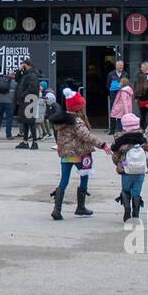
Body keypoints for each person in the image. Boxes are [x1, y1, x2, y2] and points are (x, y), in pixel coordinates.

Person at [47, 87, 109, 220]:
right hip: (79, 154)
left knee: (64, 180)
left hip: (65, 154)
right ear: (78, 107)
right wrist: (102, 145)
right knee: (84, 176)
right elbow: (86, 136)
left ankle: (57, 210)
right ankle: (80, 207)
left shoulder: (61, 119)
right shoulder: (77, 121)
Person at [111, 111, 148, 223]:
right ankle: (135, 214)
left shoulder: (120, 140)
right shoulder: (142, 138)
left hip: (126, 170)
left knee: (126, 190)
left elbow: (115, 156)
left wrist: (119, 164)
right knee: (137, 191)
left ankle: (127, 209)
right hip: (140, 170)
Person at [14, 58, 41, 150]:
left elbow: (32, 89)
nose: (21, 65)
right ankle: (25, 142)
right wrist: (19, 70)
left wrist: (22, 95)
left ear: (26, 64)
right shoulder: (25, 74)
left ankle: (35, 142)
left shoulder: (32, 75)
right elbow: (17, 79)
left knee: (30, 122)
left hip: (30, 100)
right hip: (25, 101)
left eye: (22, 64)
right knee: (25, 121)